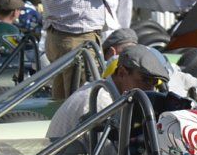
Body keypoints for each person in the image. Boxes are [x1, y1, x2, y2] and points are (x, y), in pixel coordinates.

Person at [45, 40, 174, 141]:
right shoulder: (100, 102)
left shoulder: (105, 92)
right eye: (145, 80)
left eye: (154, 83)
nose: (150, 89)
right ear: (122, 72)